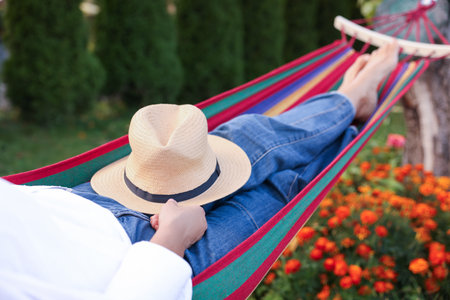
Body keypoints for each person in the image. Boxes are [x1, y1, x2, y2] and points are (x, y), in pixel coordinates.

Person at [0, 41, 399, 299]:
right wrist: (171, 241)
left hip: (87, 200)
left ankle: (347, 100)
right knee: (279, 193)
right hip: (144, 258)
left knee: (241, 138)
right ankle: (352, 115)